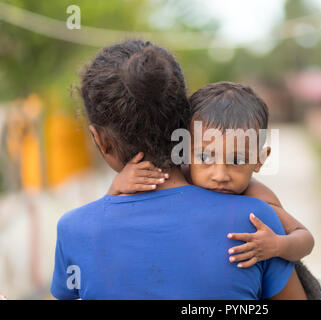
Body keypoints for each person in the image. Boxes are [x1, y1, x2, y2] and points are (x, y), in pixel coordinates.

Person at [50, 40, 305, 300]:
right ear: (183, 122)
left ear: (100, 140)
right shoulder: (255, 222)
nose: (220, 174)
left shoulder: (75, 231)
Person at [109, 81, 321, 299]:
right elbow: (110, 211)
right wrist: (118, 184)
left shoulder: (256, 197)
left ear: (260, 160)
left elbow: (305, 238)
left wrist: (278, 245)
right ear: (184, 151)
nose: (220, 175)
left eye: (237, 160)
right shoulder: (173, 178)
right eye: (204, 157)